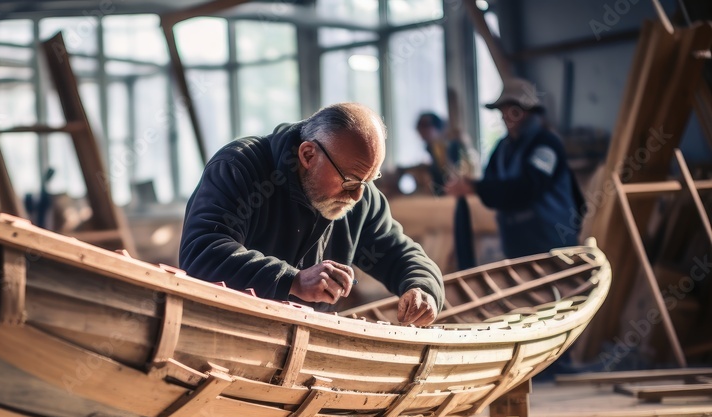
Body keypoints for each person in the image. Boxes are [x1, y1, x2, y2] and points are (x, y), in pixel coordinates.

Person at [179, 102, 444, 326]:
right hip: (229, 328)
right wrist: (292, 280)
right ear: (307, 155)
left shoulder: (359, 197)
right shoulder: (240, 167)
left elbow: (400, 254)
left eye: (369, 181)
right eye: (350, 181)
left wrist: (422, 289)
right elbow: (201, 253)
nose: (356, 197)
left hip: (305, 340)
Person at [443, 78, 584, 258]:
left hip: (552, 247)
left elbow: (529, 187)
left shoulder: (546, 144)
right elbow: (490, 183)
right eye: (502, 110)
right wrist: (475, 185)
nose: (504, 115)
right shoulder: (503, 147)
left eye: (511, 109)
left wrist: (475, 187)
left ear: (526, 111)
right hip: (518, 246)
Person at [415, 111, 479, 270]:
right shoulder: (432, 148)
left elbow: (465, 171)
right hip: (446, 195)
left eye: (425, 127)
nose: (422, 133)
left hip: (458, 196)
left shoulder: (451, 144)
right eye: (420, 128)